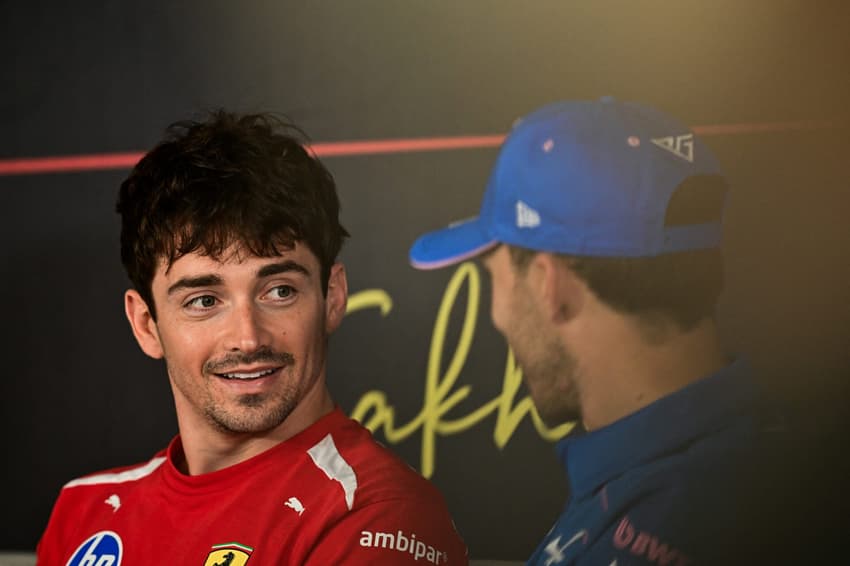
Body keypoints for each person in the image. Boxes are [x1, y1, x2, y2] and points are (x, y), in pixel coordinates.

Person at [38, 111, 467, 565]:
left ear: (333, 297)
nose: (246, 338)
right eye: (204, 300)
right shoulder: (82, 514)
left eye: (279, 291)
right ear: (146, 324)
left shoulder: (378, 515)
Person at [409, 98, 793, 564]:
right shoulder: (779, 465)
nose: (497, 315)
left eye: (494, 274)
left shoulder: (654, 527)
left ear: (550, 286)